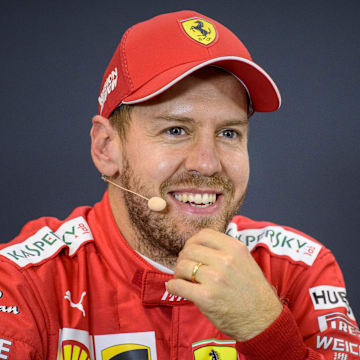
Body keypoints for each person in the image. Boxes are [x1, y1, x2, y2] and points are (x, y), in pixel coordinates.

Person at [0, 9, 358, 360]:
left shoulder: (297, 269)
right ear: (106, 147)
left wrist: (266, 331)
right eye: (175, 130)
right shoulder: (23, 282)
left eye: (229, 133)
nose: (206, 162)